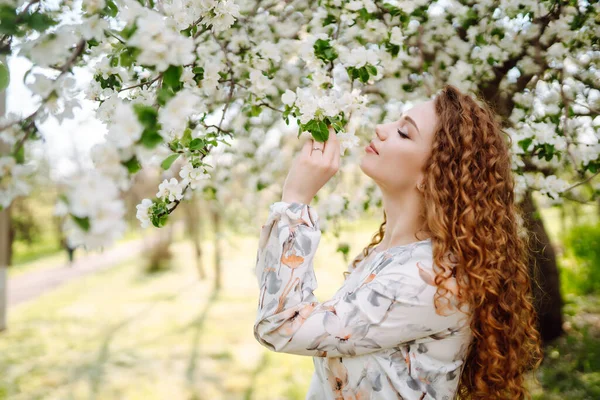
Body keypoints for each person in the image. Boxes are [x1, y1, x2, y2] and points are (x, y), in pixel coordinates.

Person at [253, 85, 543, 399]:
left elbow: (280, 326)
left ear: (433, 175)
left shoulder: (427, 280)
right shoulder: (387, 256)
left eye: (404, 133)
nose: (380, 129)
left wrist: (296, 201)